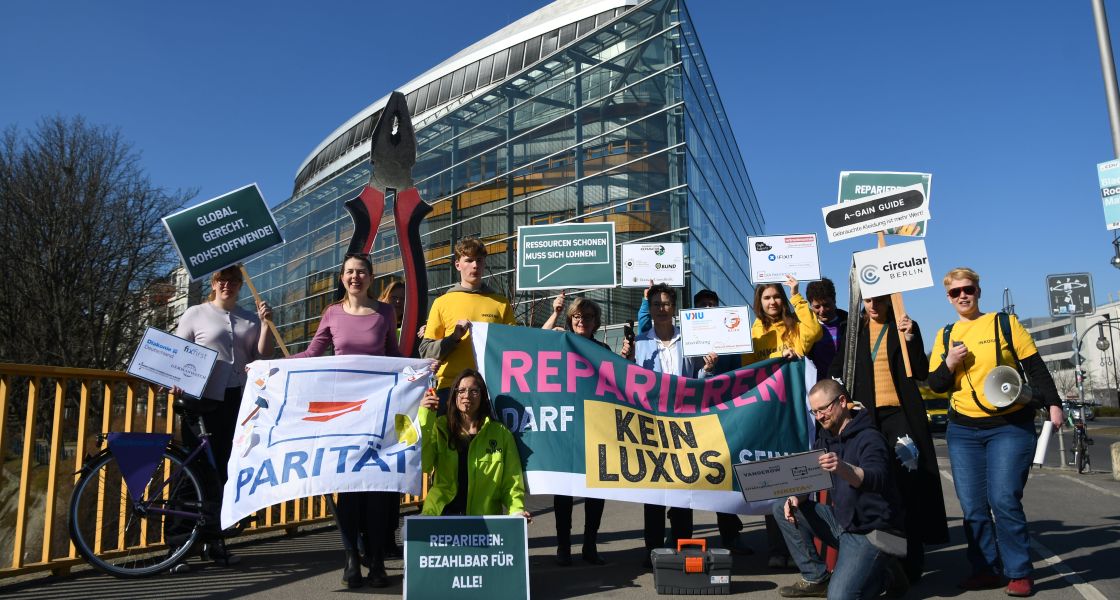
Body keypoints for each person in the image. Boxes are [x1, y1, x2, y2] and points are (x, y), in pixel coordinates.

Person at [928, 268, 1063, 597]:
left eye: (968, 289)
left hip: (1009, 426)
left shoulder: (1004, 324)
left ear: (978, 291)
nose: (963, 295)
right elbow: (935, 384)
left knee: (1003, 498)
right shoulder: (945, 334)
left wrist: (1054, 405)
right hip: (962, 430)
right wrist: (949, 362)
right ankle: (985, 569)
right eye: (955, 291)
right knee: (973, 506)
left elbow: (1035, 367)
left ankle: (1018, 571)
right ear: (948, 297)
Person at [290, 253, 401, 588]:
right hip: (342, 415)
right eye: (350, 272)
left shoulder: (385, 312)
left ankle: (378, 560)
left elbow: (394, 356)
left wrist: (422, 369)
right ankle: (351, 556)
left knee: (378, 489)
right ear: (342, 278)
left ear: (370, 277)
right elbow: (312, 354)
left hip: (377, 412)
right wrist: (272, 366)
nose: (356, 277)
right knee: (349, 490)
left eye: (362, 272)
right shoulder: (332, 313)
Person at [829, 295, 948, 583]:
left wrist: (910, 338)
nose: (873, 306)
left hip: (901, 416)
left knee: (909, 485)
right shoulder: (853, 333)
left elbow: (920, 371)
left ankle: (912, 560)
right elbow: (837, 373)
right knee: (874, 485)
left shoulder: (905, 326)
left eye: (879, 301)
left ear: (890, 301)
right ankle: (884, 559)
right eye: (868, 301)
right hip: (868, 420)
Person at [172, 265, 274, 569]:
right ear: (214, 284)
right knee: (194, 470)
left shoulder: (250, 317)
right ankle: (178, 546)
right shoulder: (195, 313)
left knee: (225, 474)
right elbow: (178, 352)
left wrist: (267, 324)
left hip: (236, 400)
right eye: (222, 280)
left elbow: (262, 356)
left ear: (241, 285)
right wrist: (174, 380)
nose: (227, 284)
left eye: (233, 281)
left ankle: (214, 542)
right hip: (201, 399)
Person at [772, 379, 908, 599]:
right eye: (814, 412)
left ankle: (887, 573)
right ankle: (817, 577)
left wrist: (844, 468)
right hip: (844, 524)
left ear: (842, 401)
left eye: (823, 409)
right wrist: (796, 498)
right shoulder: (824, 439)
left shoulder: (870, 438)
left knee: (840, 597)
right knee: (782, 506)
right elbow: (809, 480)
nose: (819, 417)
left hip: (877, 532)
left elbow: (878, 478)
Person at [744, 276, 823, 569]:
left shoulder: (794, 324)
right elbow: (747, 369)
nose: (773, 302)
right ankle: (777, 549)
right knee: (770, 482)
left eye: (777, 297)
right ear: (759, 303)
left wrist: (796, 295)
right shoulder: (753, 331)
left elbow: (813, 332)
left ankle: (803, 549)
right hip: (767, 414)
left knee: (800, 481)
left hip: (797, 414)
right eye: (767, 298)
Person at [542, 295, 621, 566]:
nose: (581, 321)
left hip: (595, 428)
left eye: (587, 317)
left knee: (594, 492)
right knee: (563, 492)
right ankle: (564, 547)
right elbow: (532, 345)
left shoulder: (603, 351)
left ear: (596, 322)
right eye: (576, 316)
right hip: (564, 427)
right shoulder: (559, 342)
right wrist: (554, 314)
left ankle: (590, 544)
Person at [633, 283, 701, 566]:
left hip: (684, 421)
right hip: (652, 421)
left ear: (674, 308)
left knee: (684, 486)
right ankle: (653, 549)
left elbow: (698, 376)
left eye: (666, 304)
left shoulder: (691, 339)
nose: (661, 309)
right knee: (655, 488)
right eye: (656, 304)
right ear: (649, 309)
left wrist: (708, 367)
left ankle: (684, 545)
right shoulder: (640, 343)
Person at [418, 369, 530, 520]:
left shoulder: (501, 433)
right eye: (461, 390)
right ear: (454, 394)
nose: (467, 396)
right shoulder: (440, 427)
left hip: (485, 522)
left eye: (474, 391)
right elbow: (424, 464)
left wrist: (517, 510)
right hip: (441, 515)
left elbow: (511, 482)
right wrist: (425, 417)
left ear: (483, 395)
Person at [693, 289, 755, 557]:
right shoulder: (688, 335)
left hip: (726, 412)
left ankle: (731, 533)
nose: (709, 308)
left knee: (725, 473)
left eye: (713, 304)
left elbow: (743, 370)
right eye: (703, 305)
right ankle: (679, 529)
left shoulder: (733, 336)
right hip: (694, 413)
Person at [420, 238, 515, 409]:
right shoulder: (442, 303)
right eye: (469, 260)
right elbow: (426, 352)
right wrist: (454, 338)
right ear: (458, 265)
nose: (475, 265)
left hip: (489, 390)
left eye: (479, 260)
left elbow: (513, 348)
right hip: (450, 389)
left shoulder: (501, 303)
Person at [804, 278, 848, 380]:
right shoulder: (806, 329)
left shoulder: (852, 323)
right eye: (817, 307)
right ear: (810, 305)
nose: (822, 311)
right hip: (819, 386)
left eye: (826, 305)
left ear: (834, 300)